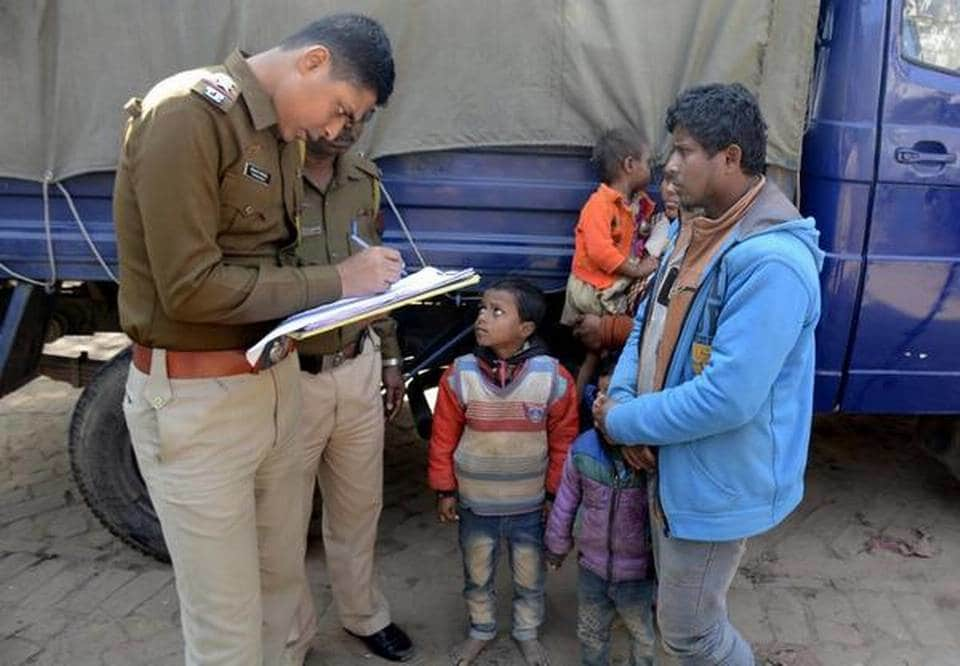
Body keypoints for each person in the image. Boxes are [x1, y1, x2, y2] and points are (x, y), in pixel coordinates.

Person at [114, 14, 399, 665]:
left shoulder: (281, 134)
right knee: (228, 627)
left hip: (270, 385)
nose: (335, 131)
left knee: (280, 591)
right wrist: (339, 282)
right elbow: (189, 287)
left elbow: (271, 266)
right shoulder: (189, 113)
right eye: (340, 109)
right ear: (312, 61)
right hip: (195, 403)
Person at [594, 83, 824, 665]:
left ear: (730, 158)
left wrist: (624, 420)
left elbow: (729, 397)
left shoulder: (772, 262)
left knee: (693, 633)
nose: (669, 165)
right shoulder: (694, 230)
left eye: (685, 151)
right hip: (670, 460)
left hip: (713, 481)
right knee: (680, 619)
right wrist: (622, 401)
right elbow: (647, 322)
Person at [283, 125, 413, 662]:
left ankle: (362, 614)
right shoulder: (271, 181)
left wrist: (388, 356)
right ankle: (291, 635)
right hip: (292, 375)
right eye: (337, 111)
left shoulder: (364, 179)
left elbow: (373, 273)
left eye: (359, 116)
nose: (345, 128)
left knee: (359, 506)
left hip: (356, 365)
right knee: (284, 519)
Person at [428, 279, 579, 666]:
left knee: (530, 578)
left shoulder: (554, 378)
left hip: (528, 507)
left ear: (526, 329)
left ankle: (526, 632)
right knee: (476, 576)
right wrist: (445, 489)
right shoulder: (459, 375)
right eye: (482, 309)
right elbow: (442, 437)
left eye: (497, 311)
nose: (483, 317)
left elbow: (564, 444)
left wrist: (552, 497)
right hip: (476, 506)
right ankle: (481, 629)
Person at [544, 428, 655, 666]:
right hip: (591, 568)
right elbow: (565, 501)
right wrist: (557, 546)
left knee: (642, 635)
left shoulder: (653, 453)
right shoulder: (584, 450)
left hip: (638, 572)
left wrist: (670, 569)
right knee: (591, 632)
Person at [560, 128, 656, 396]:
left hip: (605, 287)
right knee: (602, 350)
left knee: (593, 357)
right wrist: (636, 270)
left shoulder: (628, 204)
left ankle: (580, 407)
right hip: (593, 289)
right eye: (648, 162)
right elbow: (601, 251)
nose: (653, 169)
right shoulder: (599, 205)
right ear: (629, 165)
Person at [573, 172, 682, 355]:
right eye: (667, 180)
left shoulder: (700, 245)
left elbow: (676, 328)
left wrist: (610, 329)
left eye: (682, 181)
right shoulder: (654, 222)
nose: (670, 189)